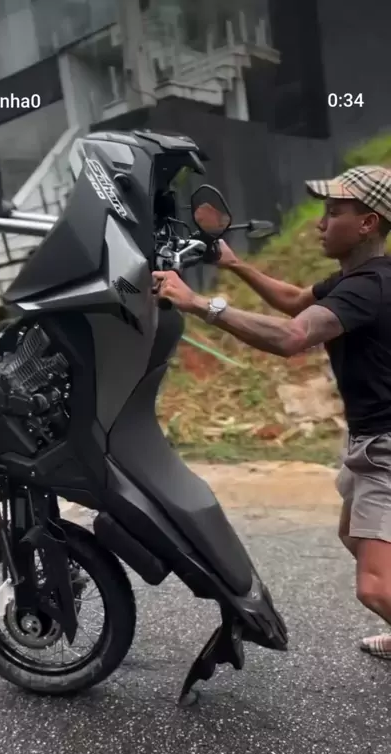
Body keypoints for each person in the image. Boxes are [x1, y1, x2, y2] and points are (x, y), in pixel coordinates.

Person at [152, 164, 391, 660]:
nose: (320, 224)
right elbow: (296, 302)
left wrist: (198, 303)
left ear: (368, 223)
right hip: (370, 437)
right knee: (354, 536)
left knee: (374, 586)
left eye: (334, 213)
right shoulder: (357, 279)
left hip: (385, 446)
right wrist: (235, 265)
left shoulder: (371, 287)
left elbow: (292, 336)